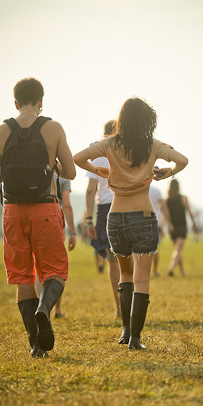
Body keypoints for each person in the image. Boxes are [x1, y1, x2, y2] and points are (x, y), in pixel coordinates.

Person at [74, 97, 188, 350]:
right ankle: (135, 338)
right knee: (142, 279)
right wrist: (168, 173)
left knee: (124, 274)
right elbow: (183, 160)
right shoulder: (153, 145)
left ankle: (125, 330)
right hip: (143, 218)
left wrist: (99, 170)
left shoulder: (109, 143)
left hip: (115, 218)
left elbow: (77, 158)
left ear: (121, 120)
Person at [0, 77, 76, 357]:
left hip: (13, 211)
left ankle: (36, 346)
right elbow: (71, 172)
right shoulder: (53, 128)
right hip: (45, 209)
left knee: (23, 277)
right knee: (55, 272)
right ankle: (44, 309)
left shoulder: (0, 131)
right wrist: (51, 166)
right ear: (41, 102)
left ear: (15, 102)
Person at [85, 120, 120, 318]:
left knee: (113, 262)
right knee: (129, 261)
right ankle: (130, 305)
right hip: (125, 205)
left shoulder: (97, 156)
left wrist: (89, 218)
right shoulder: (126, 152)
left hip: (105, 211)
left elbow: (91, 190)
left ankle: (118, 308)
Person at [35, 173, 77, 319]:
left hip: (28, 214)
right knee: (55, 267)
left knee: (37, 266)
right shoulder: (63, 174)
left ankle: (39, 306)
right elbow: (66, 204)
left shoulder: (31, 168)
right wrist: (72, 231)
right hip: (52, 218)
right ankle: (55, 309)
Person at [165, 179, 196, 277]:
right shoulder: (183, 198)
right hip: (182, 226)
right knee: (178, 250)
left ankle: (182, 272)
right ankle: (171, 269)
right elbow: (189, 211)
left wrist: (168, 224)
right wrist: (194, 223)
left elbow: (166, 215)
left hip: (172, 227)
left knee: (177, 250)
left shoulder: (167, 200)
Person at [149, 180, 167, 277]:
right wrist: (167, 221)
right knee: (155, 248)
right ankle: (154, 271)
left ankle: (143, 271)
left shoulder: (140, 189)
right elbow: (163, 206)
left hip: (142, 220)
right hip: (156, 220)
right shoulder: (156, 191)